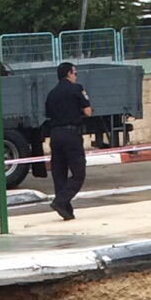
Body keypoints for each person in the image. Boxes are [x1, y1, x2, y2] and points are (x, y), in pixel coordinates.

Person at [44, 60, 92, 221]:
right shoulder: (76, 89)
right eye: (75, 73)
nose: (76, 76)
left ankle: (66, 211)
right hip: (71, 135)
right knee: (78, 174)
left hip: (55, 135)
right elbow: (88, 112)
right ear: (69, 74)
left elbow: (48, 114)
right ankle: (60, 201)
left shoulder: (51, 94)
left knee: (59, 174)